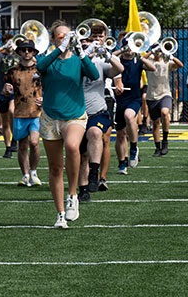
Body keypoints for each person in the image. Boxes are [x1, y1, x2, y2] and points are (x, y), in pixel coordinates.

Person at [36, 21, 99, 228]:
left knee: (73, 147)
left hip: (74, 115)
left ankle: (73, 195)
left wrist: (81, 51)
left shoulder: (77, 59)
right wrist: (59, 49)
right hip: (50, 116)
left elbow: (94, 74)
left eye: (67, 36)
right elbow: (40, 67)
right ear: (53, 39)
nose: (65, 39)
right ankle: (60, 214)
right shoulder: (48, 59)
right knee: (55, 168)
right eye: (60, 37)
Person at [76, 27, 122, 200]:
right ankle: (84, 190)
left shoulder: (100, 63)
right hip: (77, 114)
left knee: (96, 133)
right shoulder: (74, 63)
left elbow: (119, 69)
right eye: (84, 45)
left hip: (97, 111)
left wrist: (108, 54)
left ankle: (95, 173)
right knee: (82, 156)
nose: (88, 47)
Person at [113, 35, 155, 173]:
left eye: (131, 47)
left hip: (134, 98)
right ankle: (122, 163)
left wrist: (140, 55)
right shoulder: (117, 60)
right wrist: (121, 50)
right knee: (120, 134)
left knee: (129, 116)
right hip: (120, 99)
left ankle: (134, 147)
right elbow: (109, 57)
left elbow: (152, 68)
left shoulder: (138, 61)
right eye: (127, 46)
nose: (129, 50)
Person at [5, 38, 43, 187]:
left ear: (34, 52)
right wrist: (6, 90)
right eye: (23, 49)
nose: (26, 52)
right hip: (20, 112)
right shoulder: (12, 71)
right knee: (22, 145)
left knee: (34, 142)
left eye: (29, 50)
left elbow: (51, 87)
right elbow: (6, 90)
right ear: (19, 52)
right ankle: (25, 175)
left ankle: (34, 171)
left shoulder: (41, 69)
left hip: (37, 112)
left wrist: (44, 99)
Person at [146, 45, 182, 156]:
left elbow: (180, 65)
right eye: (157, 51)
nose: (158, 52)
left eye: (160, 50)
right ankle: (157, 147)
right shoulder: (149, 62)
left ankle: (165, 142)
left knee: (165, 112)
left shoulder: (166, 62)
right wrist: (151, 51)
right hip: (151, 95)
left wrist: (170, 56)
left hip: (165, 94)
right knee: (155, 123)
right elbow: (140, 60)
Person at [0, 33, 17, 158]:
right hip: (1, 91)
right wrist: (3, 47)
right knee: (5, 122)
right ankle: (7, 147)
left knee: (12, 111)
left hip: (15, 91)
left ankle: (15, 139)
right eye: (8, 42)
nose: (10, 45)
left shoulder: (18, 55)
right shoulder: (0, 55)